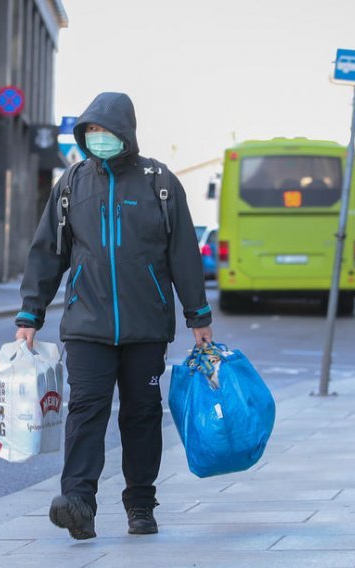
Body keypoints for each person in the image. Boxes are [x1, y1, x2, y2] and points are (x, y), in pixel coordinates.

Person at [14, 92, 213, 539]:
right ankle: (79, 501)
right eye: (91, 132)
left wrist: (198, 315)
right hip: (87, 324)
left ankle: (141, 503)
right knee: (85, 409)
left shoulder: (159, 182)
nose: (99, 138)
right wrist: (30, 314)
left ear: (126, 132)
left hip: (146, 325)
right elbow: (48, 252)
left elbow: (183, 253)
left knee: (142, 413)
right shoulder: (71, 186)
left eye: (105, 131)